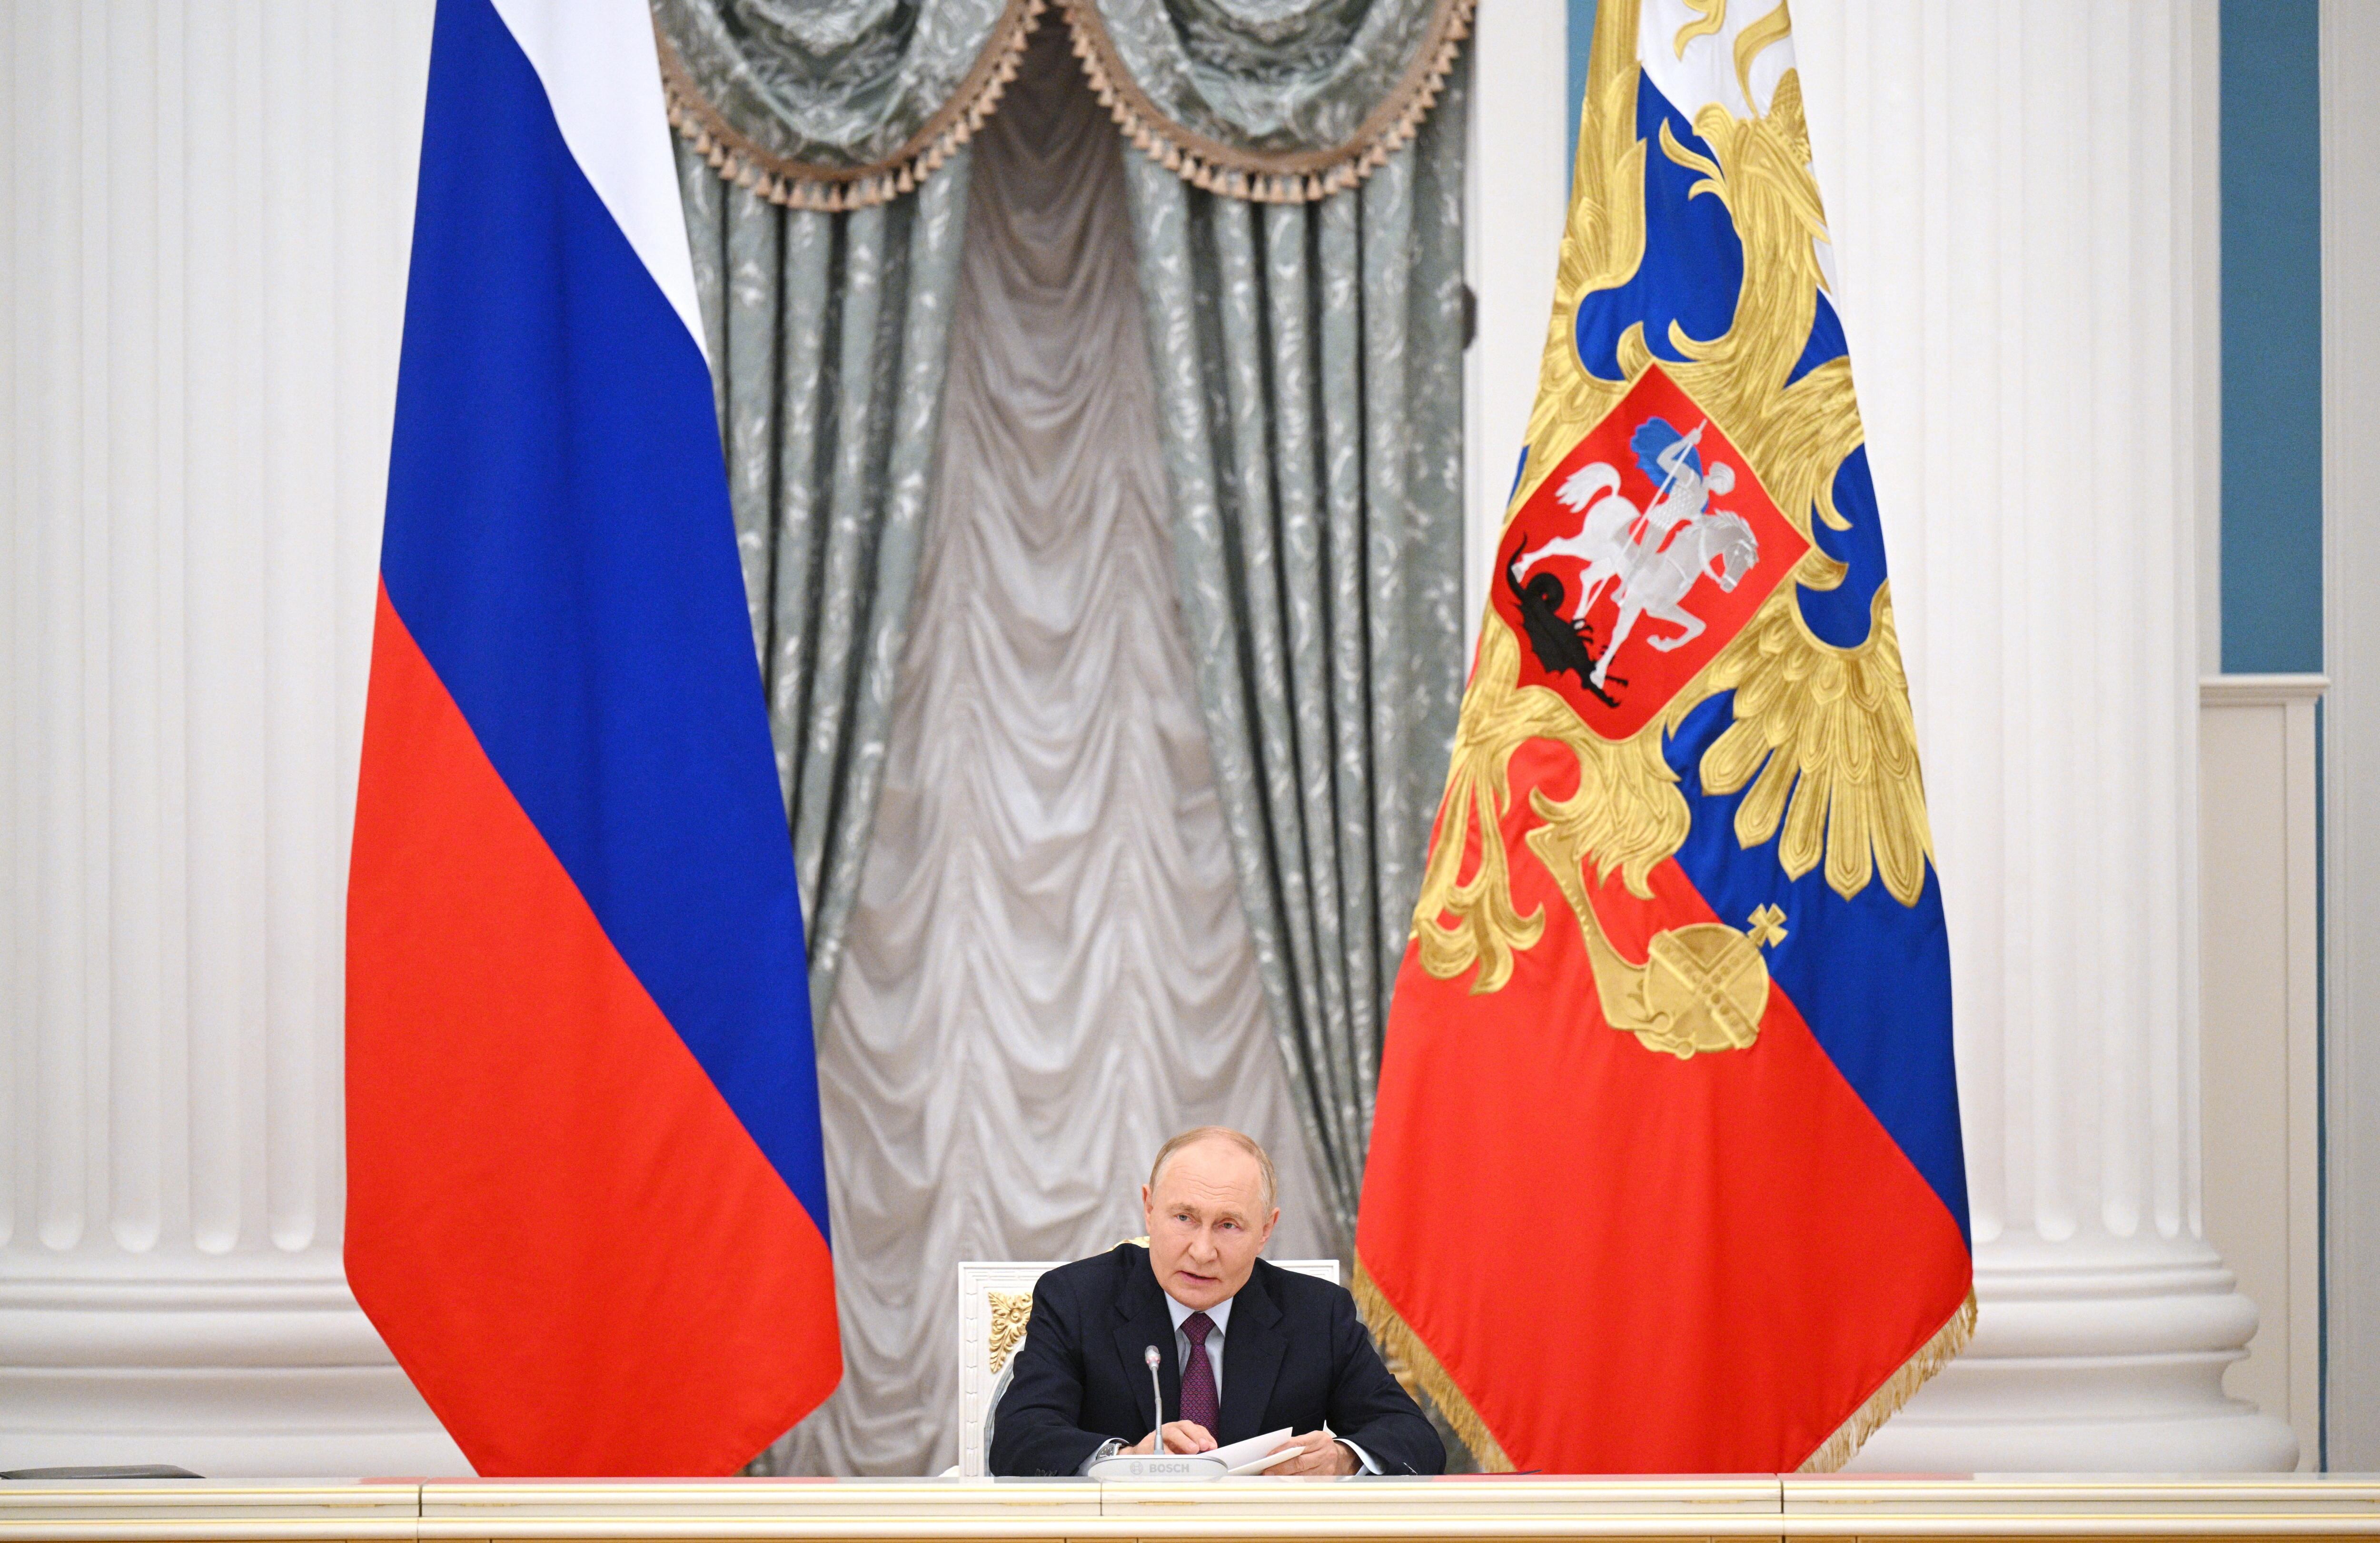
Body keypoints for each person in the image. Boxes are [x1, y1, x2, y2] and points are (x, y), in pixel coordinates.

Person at [988, 1127, 1445, 1478]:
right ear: (1149, 1209)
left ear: (1266, 1229)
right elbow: (1018, 1438)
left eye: (1229, 1225)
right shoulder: (1076, 1298)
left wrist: (1343, 1458)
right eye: (1184, 1217)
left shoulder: (1317, 1313)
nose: (1203, 1251)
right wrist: (1125, 1459)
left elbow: (1414, 1438)